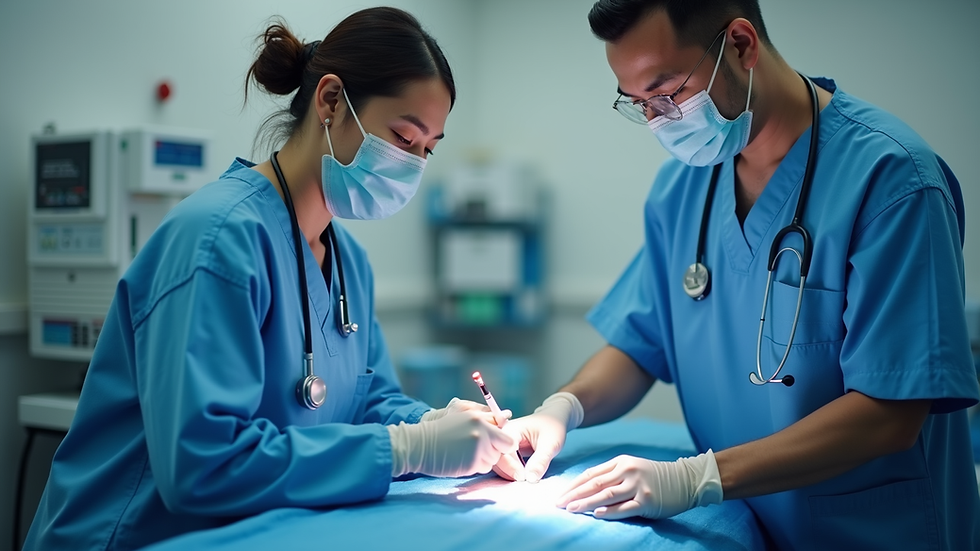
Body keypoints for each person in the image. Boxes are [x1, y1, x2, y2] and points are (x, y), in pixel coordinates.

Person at [24, 7, 517, 551]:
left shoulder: (348, 262)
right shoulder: (216, 241)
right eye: (403, 137)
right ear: (331, 101)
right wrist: (408, 449)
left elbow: (368, 403)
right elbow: (203, 465)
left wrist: (446, 427)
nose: (414, 165)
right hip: (137, 537)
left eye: (428, 150)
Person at [494, 1, 980, 549]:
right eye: (639, 104)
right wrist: (563, 408)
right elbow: (639, 345)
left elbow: (891, 412)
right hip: (742, 529)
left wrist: (696, 478)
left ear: (741, 45)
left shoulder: (894, 181)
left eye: (668, 93)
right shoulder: (682, 189)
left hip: (869, 534)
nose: (657, 121)